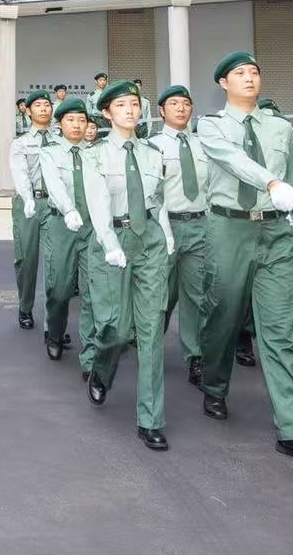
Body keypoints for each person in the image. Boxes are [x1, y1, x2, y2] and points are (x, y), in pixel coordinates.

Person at [194, 51, 293, 466]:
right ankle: (215, 384)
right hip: (228, 227)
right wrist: (270, 182)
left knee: (280, 327)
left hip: (274, 230)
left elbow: (291, 176)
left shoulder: (279, 126)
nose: (249, 78)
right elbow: (233, 160)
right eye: (240, 73)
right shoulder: (212, 125)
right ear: (223, 83)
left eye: (254, 71)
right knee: (223, 313)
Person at [79, 82, 175, 451]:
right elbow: (98, 202)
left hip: (148, 239)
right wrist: (109, 242)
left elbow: (157, 201)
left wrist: (165, 234)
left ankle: (151, 419)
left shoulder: (151, 153)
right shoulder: (96, 154)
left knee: (150, 329)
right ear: (107, 112)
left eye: (135, 104)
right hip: (112, 241)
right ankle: (102, 369)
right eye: (121, 105)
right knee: (115, 330)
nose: (130, 111)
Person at [150, 85, 214, 390]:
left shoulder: (204, 145)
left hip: (200, 226)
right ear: (161, 111)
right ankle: (148, 346)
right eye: (173, 103)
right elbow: (152, 194)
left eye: (186, 103)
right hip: (166, 227)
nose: (180, 108)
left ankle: (196, 356)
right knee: (160, 292)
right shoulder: (152, 147)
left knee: (197, 295)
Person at [36, 97, 98, 363]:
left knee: (92, 291)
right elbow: (55, 185)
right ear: (60, 124)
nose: (77, 125)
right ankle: (55, 332)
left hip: (92, 226)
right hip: (61, 224)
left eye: (82, 120)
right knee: (59, 289)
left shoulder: (96, 153)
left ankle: (90, 355)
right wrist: (69, 210)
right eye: (71, 120)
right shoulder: (49, 152)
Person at [10, 90, 57, 331]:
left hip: (55, 205)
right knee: (27, 259)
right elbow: (20, 174)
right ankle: (25, 306)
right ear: (28, 111)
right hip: (29, 204)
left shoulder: (61, 139)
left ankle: (54, 320)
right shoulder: (21, 143)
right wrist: (28, 199)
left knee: (56, 262)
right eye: (37, 105)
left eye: (47, 104)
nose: (43, 108)